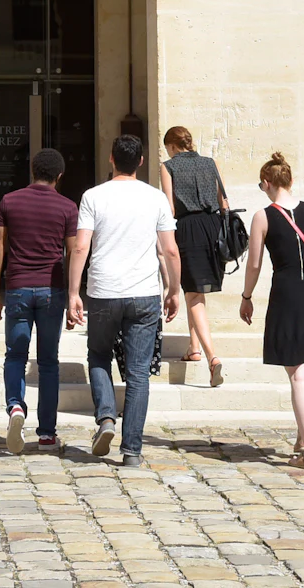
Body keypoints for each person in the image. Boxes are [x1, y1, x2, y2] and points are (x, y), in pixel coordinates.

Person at [68, 134, 180, 467]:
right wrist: (174, 289)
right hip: (144, 292)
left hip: (103, 290)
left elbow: (80, 247)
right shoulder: (156, 197)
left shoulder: (93, 196)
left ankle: (106, 417)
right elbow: (170, 250)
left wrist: (73, 292)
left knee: (98, 355)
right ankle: (131, 450)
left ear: (111, 159)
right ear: (141, 162)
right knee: (138, 373)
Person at [238, 152, 304, 470]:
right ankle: (302, 440)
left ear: (267, 183)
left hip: (289, 294)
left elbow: (254, 264)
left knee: (299, 374)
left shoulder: (263, 216)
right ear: (290, 181)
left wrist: (246, 296)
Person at [0, 147, 78, 454]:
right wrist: (74, 295)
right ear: (59, 176)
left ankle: (15, 406)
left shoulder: (10, 201)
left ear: (32, 171)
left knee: (15, 355)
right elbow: (73, 253)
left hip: (18, 288)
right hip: (52, 290)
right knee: (48, 361)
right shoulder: (67, 207)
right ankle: (47, 434)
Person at [159, 125, 228, 385]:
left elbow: (169, 206)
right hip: (213, 228)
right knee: (195, 290)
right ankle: (194, 347)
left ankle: (212, 358)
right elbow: (223, 202)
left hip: (188, 228)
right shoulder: (211, 162)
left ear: (172, 146)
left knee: (194, 293)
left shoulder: (168, 167)